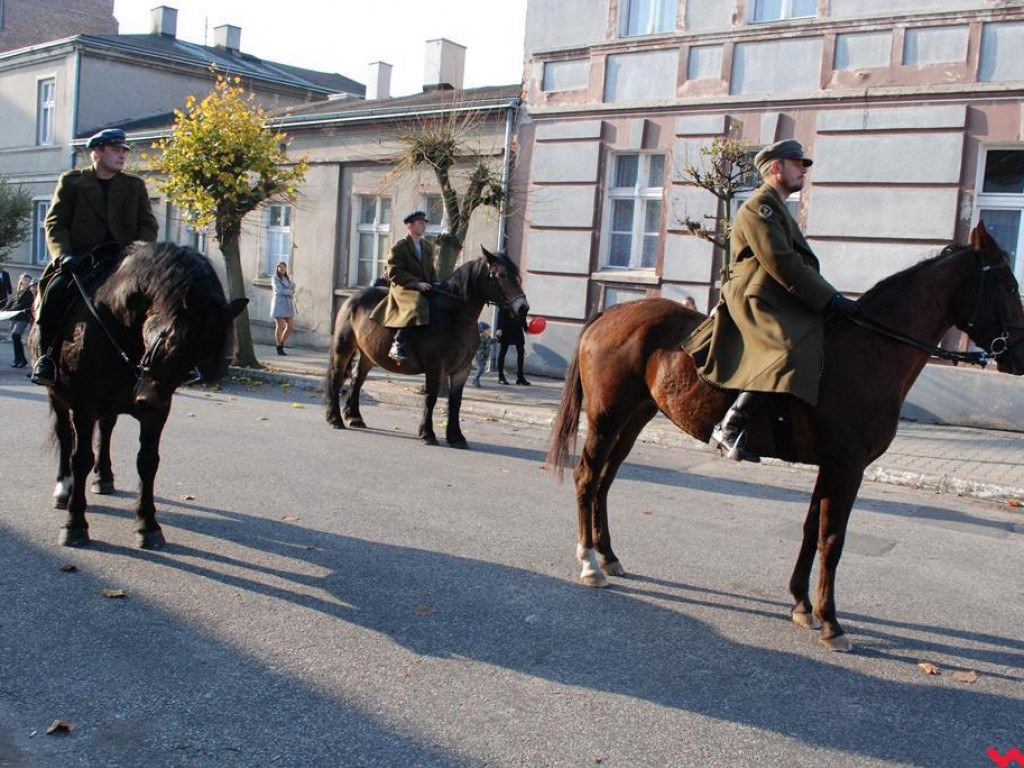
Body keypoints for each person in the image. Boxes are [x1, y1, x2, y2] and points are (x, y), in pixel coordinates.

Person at [683, 139, 857, 462]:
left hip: (774, 295)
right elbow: (782, 263)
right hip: (752, 297)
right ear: (776, 168)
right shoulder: (758, 208)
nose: (803, 170)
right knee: (785, 349)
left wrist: (829, 298)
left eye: (803, 165)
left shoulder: (778, 209)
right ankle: (730, 426)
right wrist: (829, 298)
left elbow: (796, 265)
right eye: (797, 163)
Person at [31, 127, 159, 386]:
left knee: (161, 301)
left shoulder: (134, 186)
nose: (122, 156)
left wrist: (138, 253)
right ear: (97, 152)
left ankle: (162, 366)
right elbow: (55, 223)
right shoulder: (72, 182)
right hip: (81, 262)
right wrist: (63, 255)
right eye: (115, 150)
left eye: (124, 151)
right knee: (55, 294)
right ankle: (47, 359)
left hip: (124, 263)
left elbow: (148, 225)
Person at [368, 210, 436, 363]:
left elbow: (431, 269)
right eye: (420, 223)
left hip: (424, 285)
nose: (424, 226)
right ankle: (398, 344)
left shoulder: (427, 246)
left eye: (425, 223)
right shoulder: (399, 247)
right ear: (410, 226)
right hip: (404, 288)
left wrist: (436, 283)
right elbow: (394, 272)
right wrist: (415, 284)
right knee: (417, 304)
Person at [2, 273, 34, 368]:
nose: (27, 282)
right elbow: (10, 302)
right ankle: (19, 359)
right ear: (21, 281)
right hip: (14, 317)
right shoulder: (17, 292)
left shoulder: (29, 293)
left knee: (15, 335)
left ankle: (21, 359)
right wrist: (4, 309)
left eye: (29, 281)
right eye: (26, 280)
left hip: (23, 317)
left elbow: (23, 305)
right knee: (15, 338)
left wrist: (9, 310)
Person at [496, 304, 530, 386]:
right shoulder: (507, 298)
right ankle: (501, 377)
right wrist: (499, 328)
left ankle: (520, 377)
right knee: (503, 351)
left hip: (517, 329)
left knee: (521, 352)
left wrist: (526, 328)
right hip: (506, 328)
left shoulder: (522, 300)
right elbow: (501, 314)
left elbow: (523, 317)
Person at [270, 261, 296, 356]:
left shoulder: (287, 278)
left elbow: (292, 286)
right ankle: (278, 346)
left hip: (288, 304)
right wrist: (290, 290)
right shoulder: (275, 277)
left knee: (291, 325)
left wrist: (291, 287)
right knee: (280, 325)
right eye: (280, 267)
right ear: (277, 268)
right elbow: (279, 291)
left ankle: (281, 343)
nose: (282, 269)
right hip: (279, 304)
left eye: (284, 267)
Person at [472, 321, 495, 388]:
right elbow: (478, 349)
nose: (490, 331)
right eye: (488, 330)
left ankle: (477, 379)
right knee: (481, 369)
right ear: (482, 331)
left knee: (482, 369)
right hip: (479, 357)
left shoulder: (488, 337)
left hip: (484, 357)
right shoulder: (481, 339)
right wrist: (480, 355)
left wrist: (498, 339)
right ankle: (475, 379)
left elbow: (491, 342)